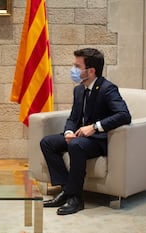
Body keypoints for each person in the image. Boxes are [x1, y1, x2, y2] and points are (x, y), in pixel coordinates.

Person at [41, 48, 131, 215]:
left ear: (91, 71)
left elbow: (124, 115)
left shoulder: (107, 89)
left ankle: (76, 199)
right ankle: (66, 190)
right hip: (79, 138)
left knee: (76, 145)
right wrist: (68, 131)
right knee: (48, 142)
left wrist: (95, 127)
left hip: (99, 140)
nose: (73, 70)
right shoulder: (79, 89)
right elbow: (74, 118)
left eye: (77, 66)